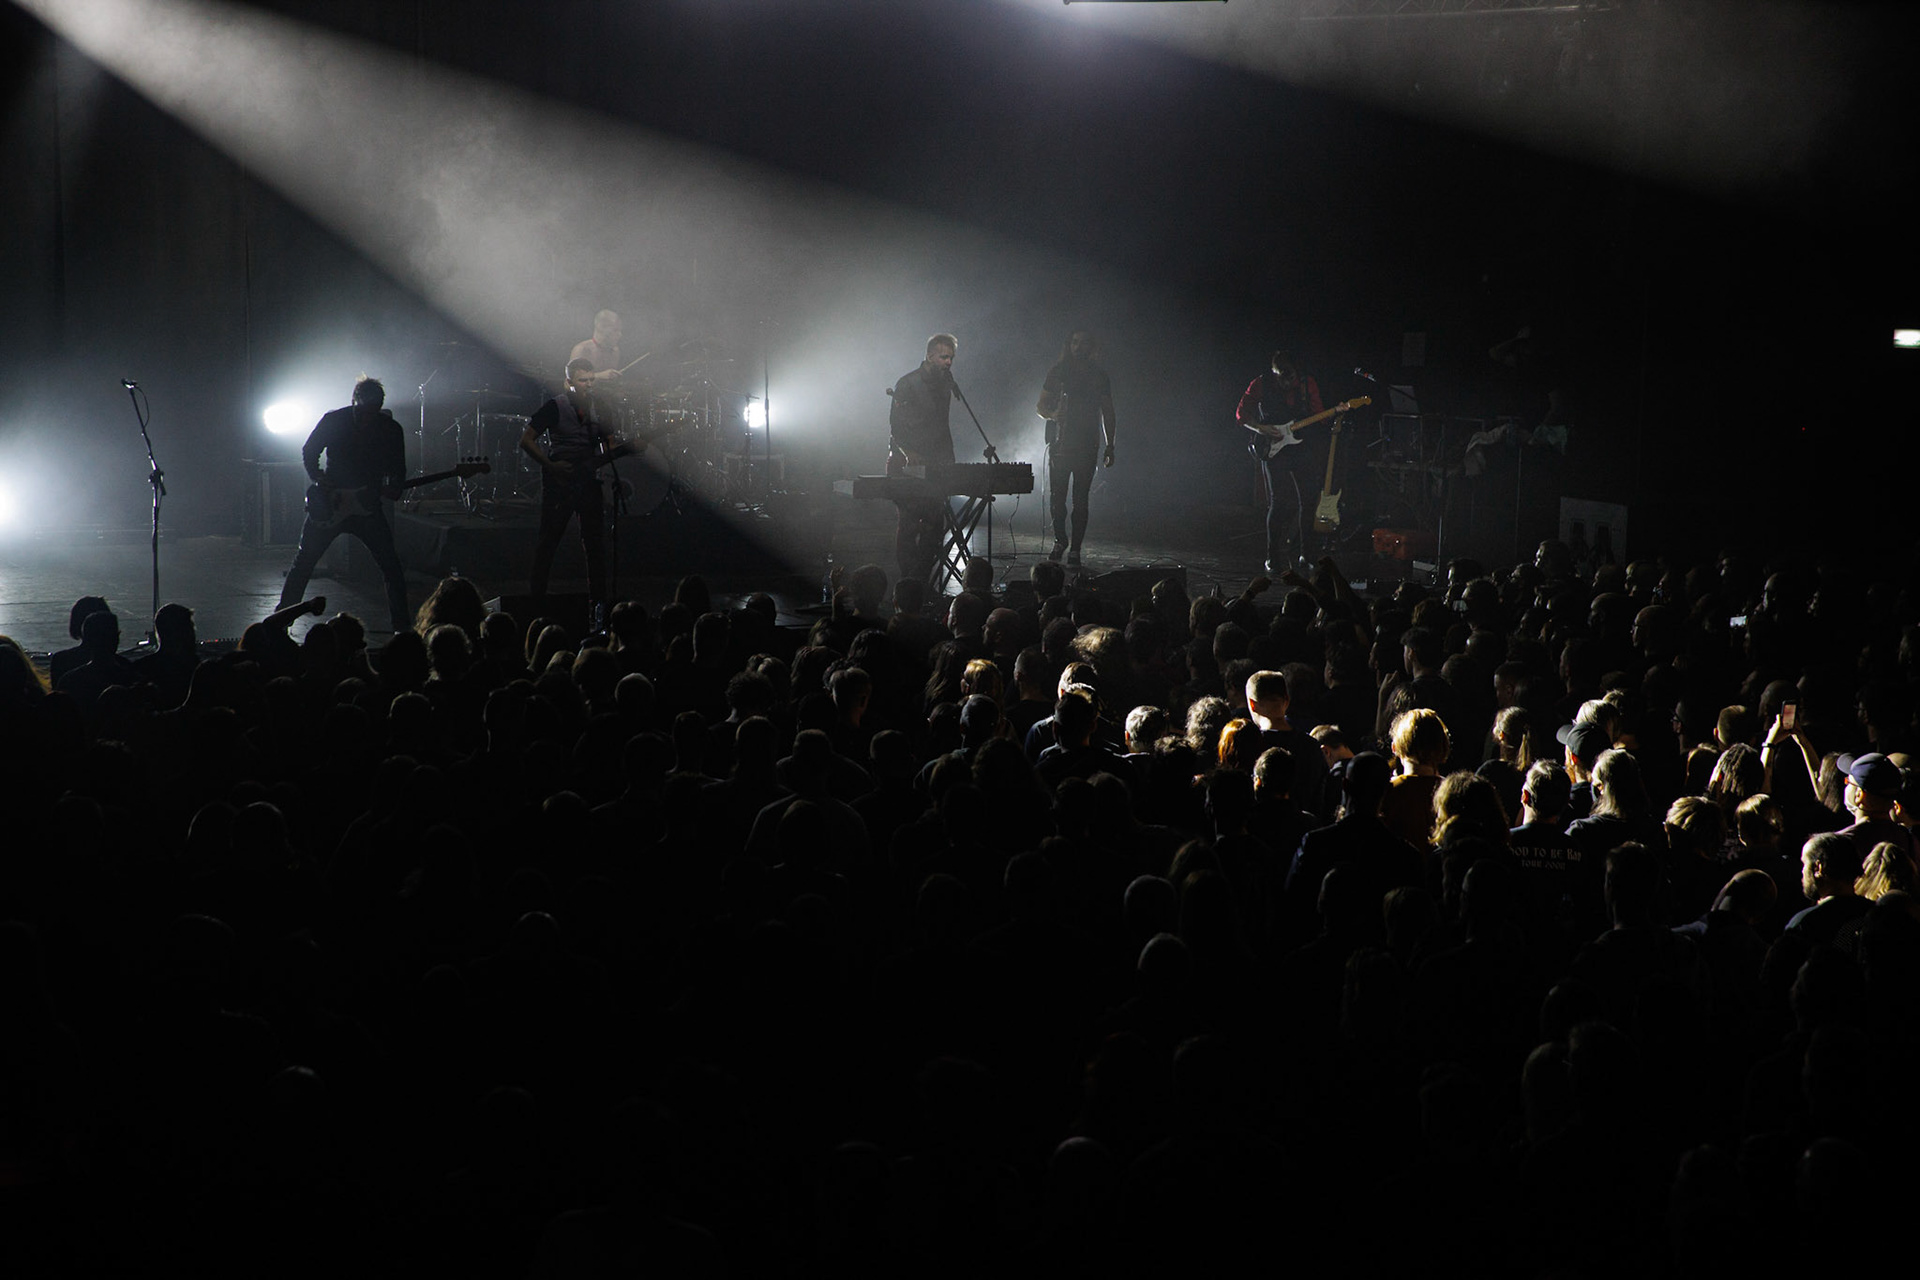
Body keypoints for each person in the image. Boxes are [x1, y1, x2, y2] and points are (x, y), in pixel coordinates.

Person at [278, 377, 411, 633]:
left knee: (391, 566)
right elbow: (309, 450)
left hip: (367, 506)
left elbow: (398, 469)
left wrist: (395, 486)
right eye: (362, 411)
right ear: (354, 402)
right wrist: (318, 476)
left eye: (372, 412)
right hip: (332, 504)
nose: (367, 418)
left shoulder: (391, 429)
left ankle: (402, 628)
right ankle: (281, 621)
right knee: (304, 562)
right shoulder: (334, 420)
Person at [521, 359, 618, 624]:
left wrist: (623, 448)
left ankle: (598, 607)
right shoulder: (555, 406)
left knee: (594, 544)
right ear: (569, 382)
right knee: (548, 542)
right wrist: (550, 465)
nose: (587, 385)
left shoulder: (601, 407)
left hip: (589, 482)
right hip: (559, 482)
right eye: (582, 380)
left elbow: (609, 444)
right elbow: (526, 439)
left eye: (590, 380)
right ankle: (536, 606)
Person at [1236, 352, 1324, 573]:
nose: (1287, 383)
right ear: (1274, 373)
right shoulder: (1260, 383)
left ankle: (1307, 554)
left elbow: (1318, 413)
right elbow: (1241, 413)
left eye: (1290, 378)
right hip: (1273, 448)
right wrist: (1259, 427)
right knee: (1279, 502)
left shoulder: (1307, 383)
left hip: (1301, 446)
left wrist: (1335, 414)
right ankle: (1273, 558)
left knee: (1309, 500)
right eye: (1281, 378)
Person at [1034, 330, 1116, 566]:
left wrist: (1111, 445)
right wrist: (1052, 414)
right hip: (1060, 443)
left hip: (1087, 444)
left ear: (1092, 348)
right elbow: (1040, 405)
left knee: (1081, 500)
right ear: (1068, 345)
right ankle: (1060, 540)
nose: (1079, 347)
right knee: (1057, 498)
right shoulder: (1058, 372)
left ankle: (1076, 549)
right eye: (1075, 342)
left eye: (1084, 343)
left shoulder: (1099, 376)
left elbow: (1108, 412)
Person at [888, 333, 959, 586]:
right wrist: (909, 452)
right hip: (906, 464)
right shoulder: (907, 383)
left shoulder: (945, 385)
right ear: (929, 356)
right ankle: (908, 581)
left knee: (934, 525)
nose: (948, 362)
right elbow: (895, 427)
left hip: (935, 464)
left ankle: (921, 580)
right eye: (943, 356)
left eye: (951, 357)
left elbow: (941, 427)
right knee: (908, 524)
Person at [569, 310, 623, 387]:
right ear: (601, 327)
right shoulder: (582, 349)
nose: (620, 334)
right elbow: (572, 382)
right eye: (615, 330)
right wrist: (599, 376)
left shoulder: (615, 351)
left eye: (620, 330)